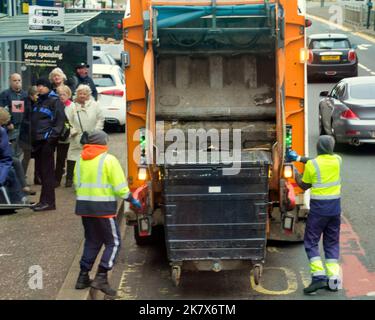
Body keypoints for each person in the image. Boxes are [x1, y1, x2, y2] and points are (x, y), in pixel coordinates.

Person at [73, 130, 142, 296]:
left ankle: (83, 276)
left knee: (92, 241)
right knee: (114, 242)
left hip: (84, 207)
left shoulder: (80, 159)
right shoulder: (108, 160)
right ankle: (102, 276)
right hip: (103, 209)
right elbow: (120, 188)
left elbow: (76, 183)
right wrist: (132, 200)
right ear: (102, 143)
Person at [287, 135, 342, 295]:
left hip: (319, 211)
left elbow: (303, 185)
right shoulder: (338, 160)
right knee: (331, 244)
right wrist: (299, 157)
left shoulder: (312, 165)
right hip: (335, 211)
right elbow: (319, 162)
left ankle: (318, 277)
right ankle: (333, 280)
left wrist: (294, 167)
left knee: (311, 242)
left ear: (318, 147)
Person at [31, 78, 66, 211]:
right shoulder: (39, 100)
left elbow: (59, 122)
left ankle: (49, 202)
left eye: (42, 86)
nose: (40, 88)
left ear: (48, 87)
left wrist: (51, 139)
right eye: (38, 85)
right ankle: (43, 201)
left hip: (46, 142)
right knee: (41, 173)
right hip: (38, 142)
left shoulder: (55, 101)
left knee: (47, 173)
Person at [65, 84, 104, 187]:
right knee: (73, 157)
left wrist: (96, 131)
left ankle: (89, 178)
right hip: (76, 136)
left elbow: (101, 119)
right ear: (76, 94)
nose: (82, 96)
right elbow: (66, 121)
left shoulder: (95, 105)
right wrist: (71, 130)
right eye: (80, 93)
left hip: (91, 137)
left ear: (88, 95)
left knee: (90, 157)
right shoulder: (71, 106)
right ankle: (69, 179)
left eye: (84, 94)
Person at [0, 73, 27, 159]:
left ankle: (17, 170)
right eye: (14, 80)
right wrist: (8, 123)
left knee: (20, 151)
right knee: (10, 151)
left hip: (23, 128)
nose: (17, 82)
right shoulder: (5, 94)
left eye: (19, 80)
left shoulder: (25, 94)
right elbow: (2, 111)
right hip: (11, 128)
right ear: (10, 82)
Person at [20, 86, 41, 186]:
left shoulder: (38, 102)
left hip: (35, 135)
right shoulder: (24, 103)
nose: (38, 97)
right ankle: (21, 177)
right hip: (26, 135)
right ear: (31, 95)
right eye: (37, 95)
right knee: (27, 156)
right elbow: (22, 118)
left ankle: (37, 177)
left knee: (37, 157)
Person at [55, 85, 74, 187]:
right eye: (60, 94)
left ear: (69, 95)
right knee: (60, 159)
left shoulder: (72, 106)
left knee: (70, 159)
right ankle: (57, 179)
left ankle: (69, 179)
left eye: (64, 94)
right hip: (60, 137)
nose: (61, 96)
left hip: (71, 136)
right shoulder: (56, 105)